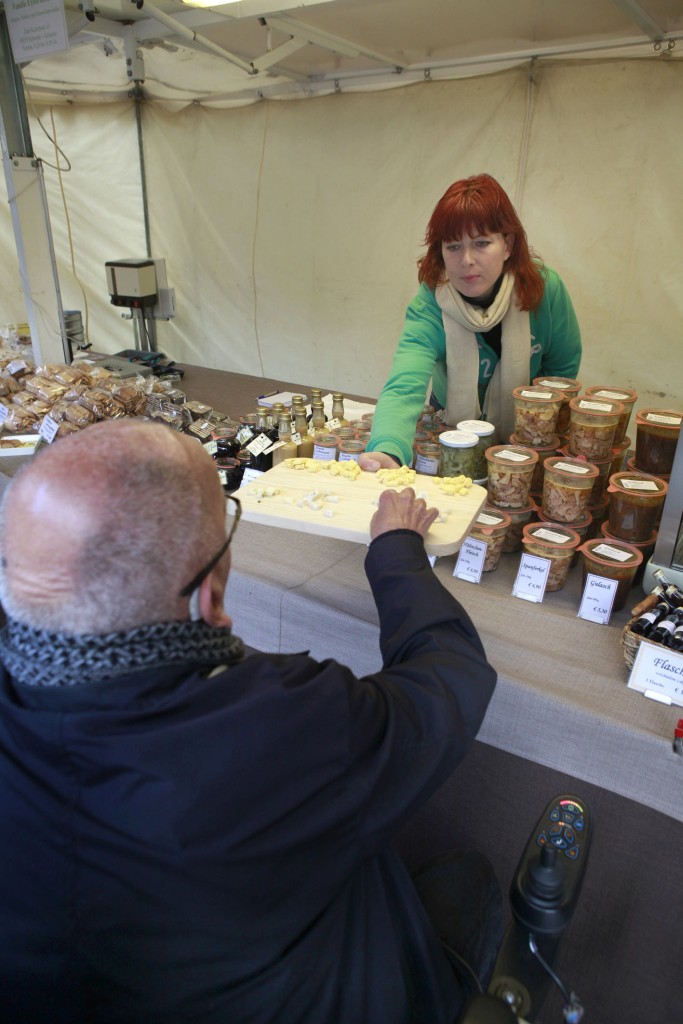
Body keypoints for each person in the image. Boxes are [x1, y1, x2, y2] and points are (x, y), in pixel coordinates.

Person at [0, 418, 500, 1024]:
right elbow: (453, 679)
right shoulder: (280, 724)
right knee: (471, 879)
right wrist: (396, 550)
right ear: (209, 600)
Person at [360, 173, 582, 470]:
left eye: (481, 243)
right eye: (453, 246)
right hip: (450, 420)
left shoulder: (544, 289)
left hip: (527, 428)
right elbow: (404, 385)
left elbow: (560, 374)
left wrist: (538, 432)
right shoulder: (432, 301)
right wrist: (387, 450)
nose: (466, 260)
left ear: (507, 244)